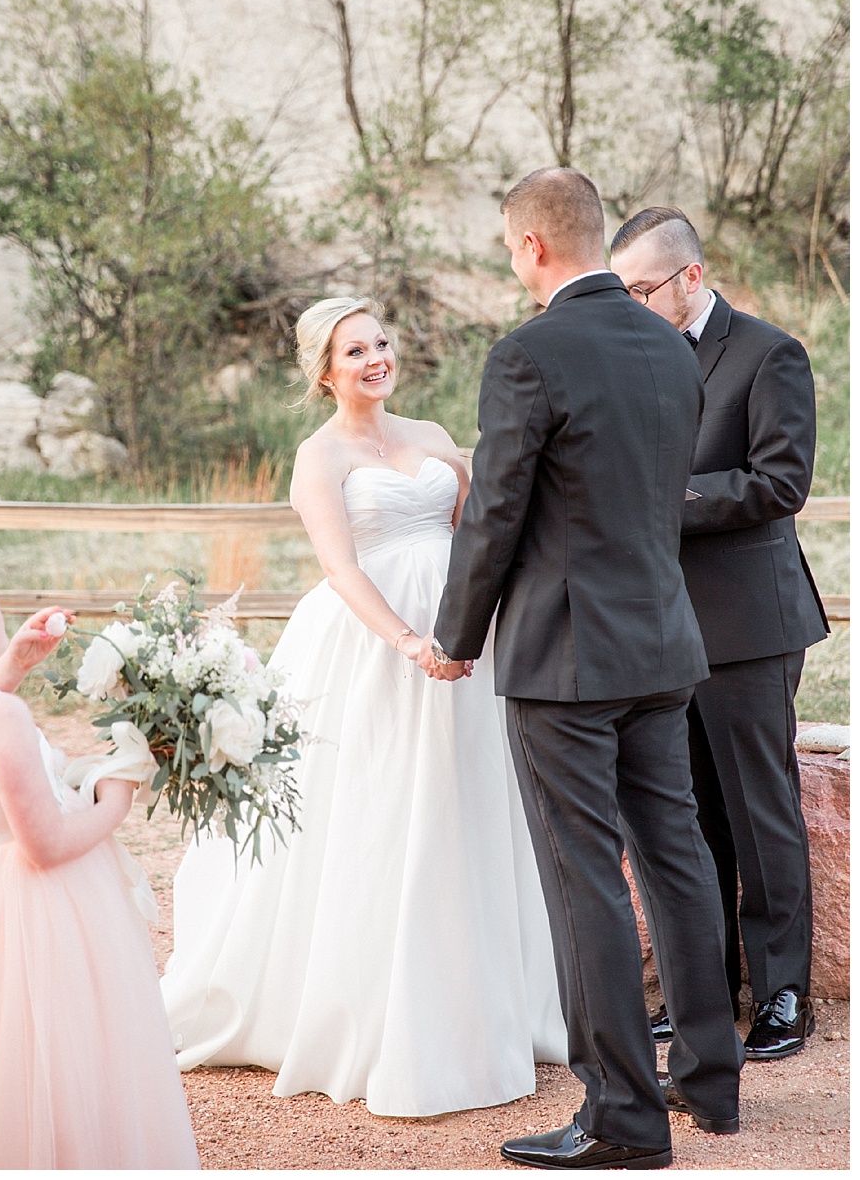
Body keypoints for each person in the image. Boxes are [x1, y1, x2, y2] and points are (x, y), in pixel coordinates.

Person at [160, 296, 566, 1119]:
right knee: (376, 809)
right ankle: (368, 1008)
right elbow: (342, 570)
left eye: (380, 342)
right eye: (354, 351)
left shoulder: (432, 435)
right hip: (373, 647)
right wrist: (409, 641)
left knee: (467, 800)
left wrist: (472, 624)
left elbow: (477, 533)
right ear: (324, 371)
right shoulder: (318, 456)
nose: (376, 358)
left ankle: (490, 999)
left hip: (466, 639)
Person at [432, 169, 745, 1169]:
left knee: (585, 881)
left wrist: (455, 634)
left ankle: (621, 1118)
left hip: (566, 657)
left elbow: (497, 511)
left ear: (531, 246)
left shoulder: (528, 354)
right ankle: (711, 1081)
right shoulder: (670, 345)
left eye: (507, 247)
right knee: (678, 858)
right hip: (663, 642)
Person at [610, 207, 827, 1061]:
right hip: (659, 624)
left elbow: (780, 482)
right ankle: (700, 993)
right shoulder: (633, 356)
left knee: (759, 810)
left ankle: (782, 994)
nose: (630, 303)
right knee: (686, 816)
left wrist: (659, 503)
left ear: (691, 276)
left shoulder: (769, 354)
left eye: (641, 288)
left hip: (749, 622)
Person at [0, 570, 199, 1169]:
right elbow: (44, 846)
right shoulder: (0, 717)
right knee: (67, 1062)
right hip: (40, 910)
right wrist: (117, 795)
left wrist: (12, 666)